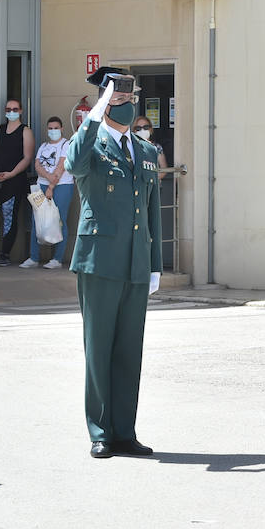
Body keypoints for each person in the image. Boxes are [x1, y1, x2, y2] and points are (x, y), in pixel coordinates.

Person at [67, 67, 163, 458]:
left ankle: (125, 430)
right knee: (99, 347)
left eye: (128, 99)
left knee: (129, 349)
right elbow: (73, 164)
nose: (125, 106)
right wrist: (95, 113)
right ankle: (100, 431)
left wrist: (155, 263)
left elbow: (152, 209)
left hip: (135, 261)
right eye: (117, 100)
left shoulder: (145, 149)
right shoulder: (91, 143)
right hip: (99, 260)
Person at [0, 98, 35, 266]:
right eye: (8, 109)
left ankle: (4, 253)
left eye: (15, 109)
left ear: (20, 111)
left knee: (9, 216)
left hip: (14, 180)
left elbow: (27, 157)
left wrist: (11, 173)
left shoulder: (25, 131)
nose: (11, 112)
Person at [26, 116, 72, 269]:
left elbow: (62, 165)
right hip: (41, 186)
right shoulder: (44, 146)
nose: (53, 131)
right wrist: (47, 178)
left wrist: (51, 186)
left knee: (59, 220)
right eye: (50, 128)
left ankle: (57, 259)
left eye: (56, 128)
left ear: (62, 129)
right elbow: (37, 165)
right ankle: (33, 257)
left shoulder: (66, 144)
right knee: (36, 220)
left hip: (62, 186)